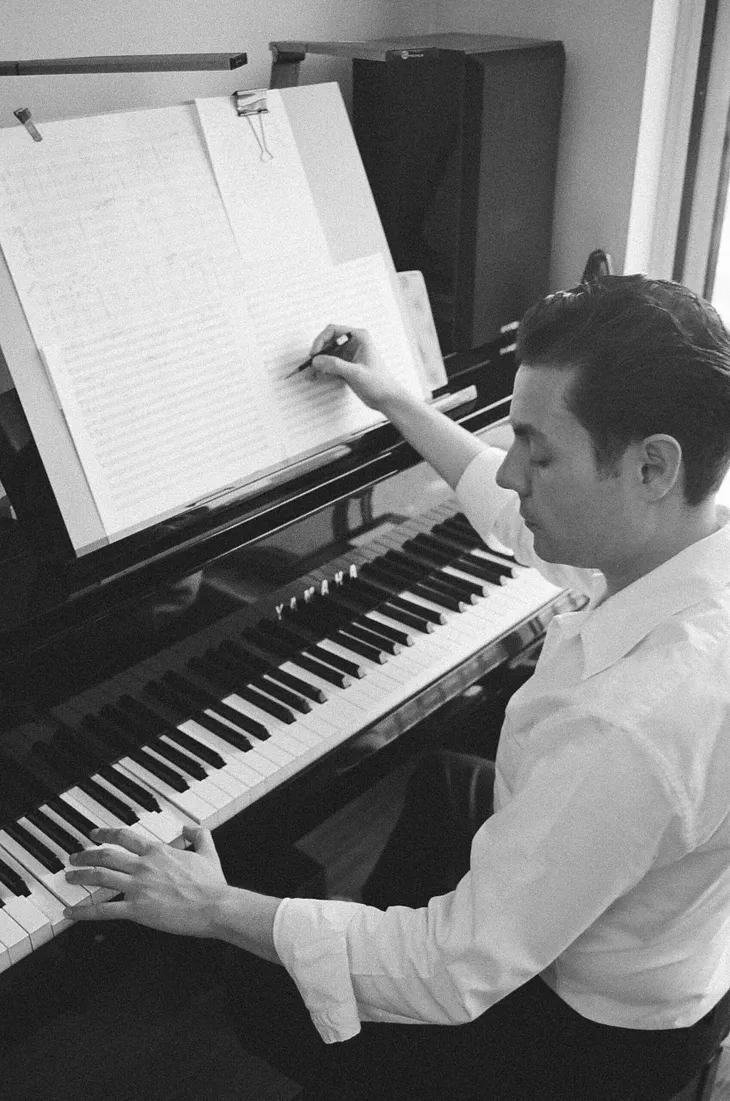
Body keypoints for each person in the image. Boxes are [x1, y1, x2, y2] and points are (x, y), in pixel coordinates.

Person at [63, 275, 730, 1100]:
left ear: (651, 467)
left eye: (540, 450)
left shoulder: (639, 722)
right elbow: (508, 504)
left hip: (588, 1034)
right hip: (660, 922)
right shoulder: (685, 538)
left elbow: (454, 970)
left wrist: (216, 906)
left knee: (309, 1009)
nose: (515, 473)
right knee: (444, 781)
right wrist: (396, 400)